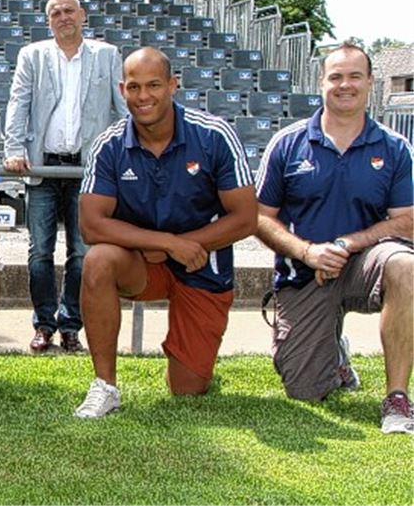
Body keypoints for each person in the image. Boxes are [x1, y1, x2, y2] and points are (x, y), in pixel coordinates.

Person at [74, 47, 256, 418]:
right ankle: (104, 386)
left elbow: (246, 218)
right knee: (98, 261)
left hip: (202, 262)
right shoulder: (108, 145)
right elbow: (91, 224)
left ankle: (191, 360)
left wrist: (186, 245)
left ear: (173, 85)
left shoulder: (215, 135)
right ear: (122, 89)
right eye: (134, 87)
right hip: (143, 262)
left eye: (154, 85)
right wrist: (165, 243)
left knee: (188, 389)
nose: (144, 97)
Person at [254, 43, 413, 434]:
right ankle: (335, 356)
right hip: (306, 272)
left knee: (406, 265)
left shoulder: (395, 148)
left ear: (371, 83)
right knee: (305, 389)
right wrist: (308, 252)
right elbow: (257, 218)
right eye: (336, 76)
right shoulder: (287, 144)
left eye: (355, 76)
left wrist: (347, 245)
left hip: (365, 265)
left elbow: (407, 222)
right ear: (321, 82)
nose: (345, 85)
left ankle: (397, 398)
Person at [3, 0, 128, 354]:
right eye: (55, 12)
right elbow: (18, 104)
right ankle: (44, 323)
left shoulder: (106, 55)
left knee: (82, 251)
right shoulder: (33, 56)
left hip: (88, 169)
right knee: (39, 252)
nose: (63, 17)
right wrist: (13, 150)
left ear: (83, 15)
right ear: (49, 21)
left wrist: (121, 158)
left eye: (69, 10)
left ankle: (71, 324)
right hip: (43, 165)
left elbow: (120, 110)